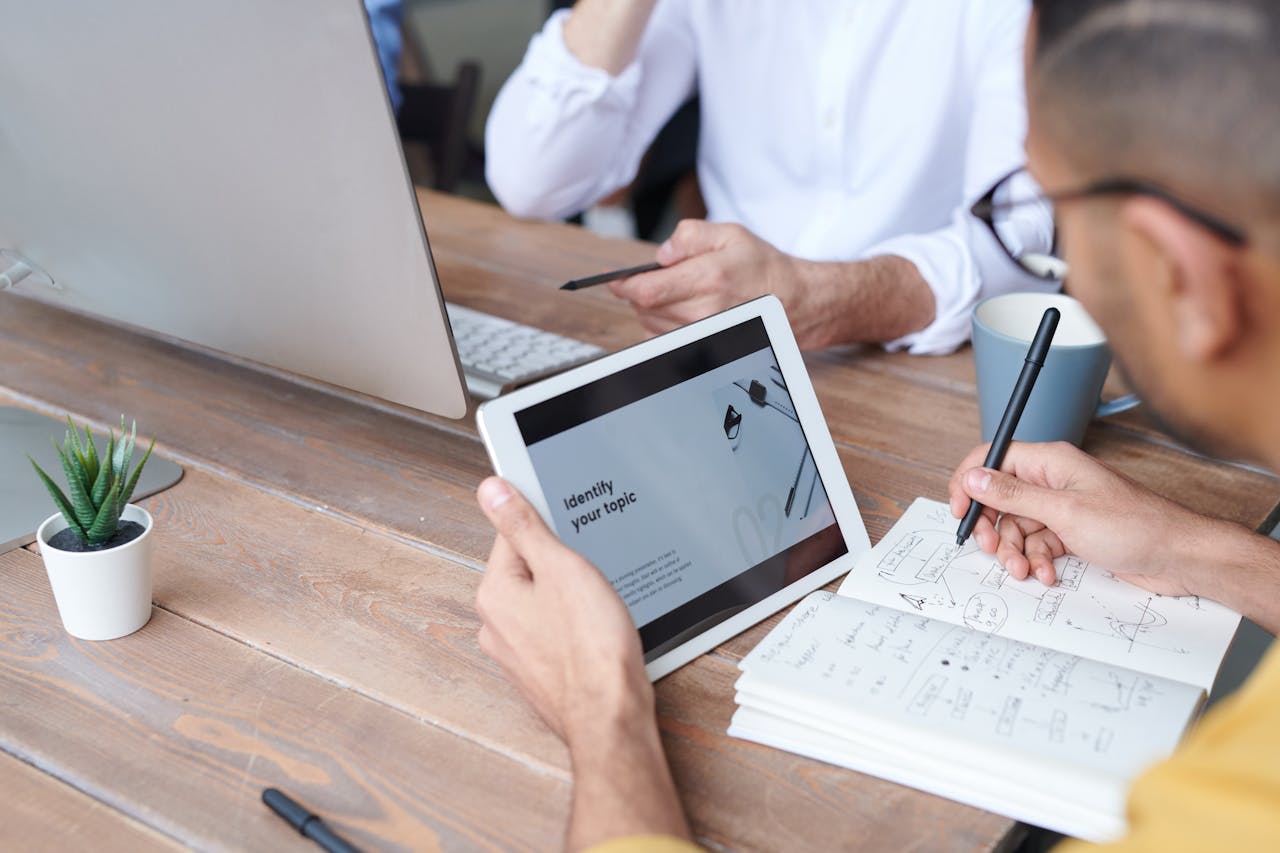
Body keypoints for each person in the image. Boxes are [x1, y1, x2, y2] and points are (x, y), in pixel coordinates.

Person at [473, 0, 1280, 850]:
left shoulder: (1220, 804)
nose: (1048, 249)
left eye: (1048, 215)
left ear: (1181, 276)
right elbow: (531, 177)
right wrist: (1201, 551)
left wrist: (600, 702)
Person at [485, 1, 1055, 354]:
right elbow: (534, 177)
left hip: (938, 380)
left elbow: (1025, 240)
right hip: (719, 358)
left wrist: (824, 297)